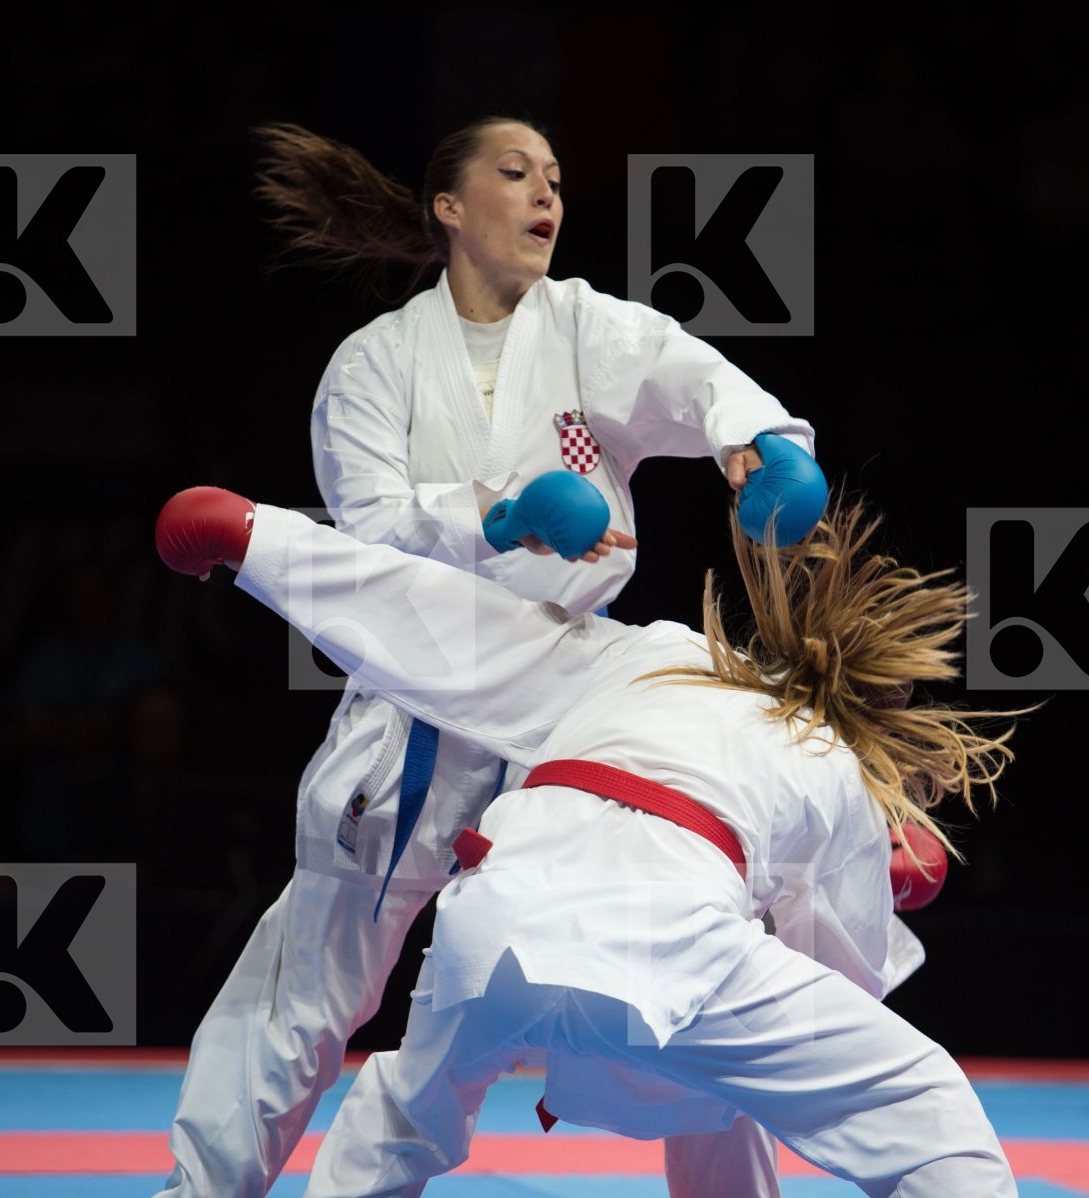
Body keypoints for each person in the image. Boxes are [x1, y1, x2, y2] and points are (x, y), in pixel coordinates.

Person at [156, 116, 824, 1198]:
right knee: (303, 999)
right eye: (514, 175)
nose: (545, 195)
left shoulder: (583, 328)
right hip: (420, 697)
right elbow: (366, 530)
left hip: (565, 706)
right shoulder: (373, 363)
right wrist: (501, 519)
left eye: (556, 178)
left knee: (688, 956)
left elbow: (685, 371)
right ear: (451, 209)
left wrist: (758, 440)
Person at [156, 480, 1025, 1197]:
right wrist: (881, 872)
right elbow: (836, 973)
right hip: (673, 940)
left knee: (399, 1119)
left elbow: (439, 619)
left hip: (492, 918)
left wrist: (257, 538)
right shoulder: (834, 763)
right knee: (920, 1109)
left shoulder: (650, 652)